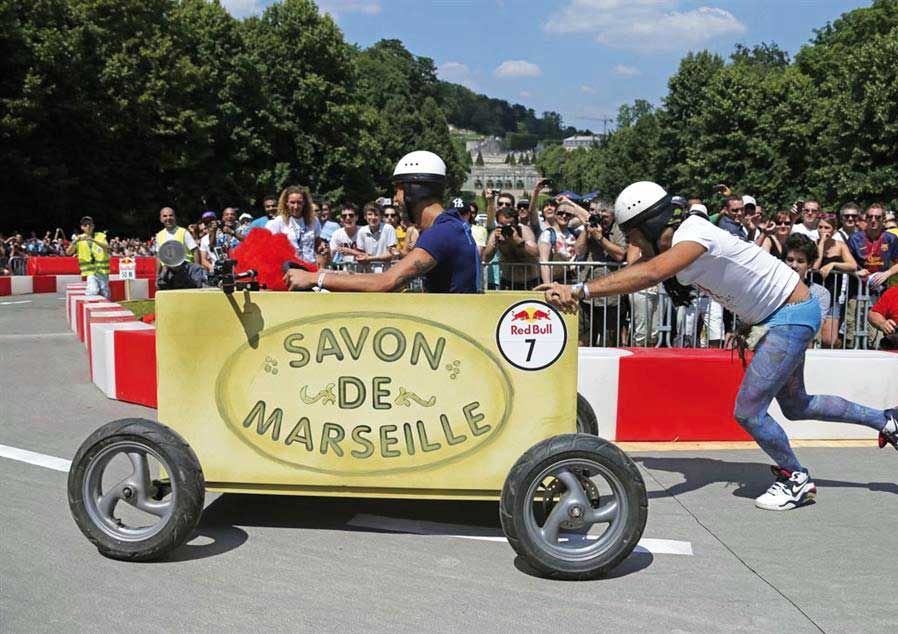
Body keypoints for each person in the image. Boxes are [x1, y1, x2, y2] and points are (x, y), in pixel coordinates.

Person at [539, 181, 898, 511]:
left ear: (650, 225)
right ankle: (887, 422)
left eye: (633, 234)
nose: (631, 243)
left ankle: (796, 478)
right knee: (796, 404)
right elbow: (637, 262)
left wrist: (578, 290)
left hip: (789, 315)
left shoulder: (692, 239)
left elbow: (646, 273)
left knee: (748, 410)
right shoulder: (682, 233)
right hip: (784, 313)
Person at [285, 150, 480, 293]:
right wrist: (343, 277)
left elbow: (385, 283)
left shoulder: (440, 234)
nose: (395, 199)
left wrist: (315, 278)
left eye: (398, 190)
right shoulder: (453, 227)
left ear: (414, 190)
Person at [811, 216, 856, 348]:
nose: (823, 230)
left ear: (834, 230)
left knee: (829, 340)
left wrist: (834, 264)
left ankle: (840, 346)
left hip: (832, 295)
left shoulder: (840, 246)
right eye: (820, 227)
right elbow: (814, 266)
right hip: (814, 295)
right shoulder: (813, 243)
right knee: (813, 336)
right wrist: (821, 244)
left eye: (827, 228)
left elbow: (852, 265)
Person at [782, 234, 831, 344]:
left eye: (800, 261)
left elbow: (814, 328)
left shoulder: (821, 293)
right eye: (790, 259)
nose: (794, 265)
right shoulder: (773, 289)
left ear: (809, 264)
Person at [482, 203, 539, 289]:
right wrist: (495, 243)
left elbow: (536, 255)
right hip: (507, 282)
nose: (506, 228)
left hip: (529, 282)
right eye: (502, 224)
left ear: (516, 223)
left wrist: (519, 241)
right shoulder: (496, 234)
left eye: (510, 225)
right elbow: (486, 258)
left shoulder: (524, 231)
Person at [266, 186, 323, 267]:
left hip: (310, 267)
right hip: (289, 269)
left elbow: (317, 242)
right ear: (286, 203)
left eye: (299, 202)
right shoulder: (278, 222)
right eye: (292, 202)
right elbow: (269, 247)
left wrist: (322, 246)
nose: (296, 207)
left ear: (304, 203)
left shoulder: (313, 220)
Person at [155, 207, 204, 289]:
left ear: (175, 217)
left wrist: (196, 268)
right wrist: (157, 276)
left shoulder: (183, 232)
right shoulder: (159, 235)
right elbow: (158, 256)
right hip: (167, 269)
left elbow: (195, 250)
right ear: (161, 219)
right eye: (165, 216)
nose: (168, 218)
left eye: (171, 215)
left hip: (185, 267)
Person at [65, 216, 110, 298]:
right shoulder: (79, 239)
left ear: (93, 226)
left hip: (102, 270)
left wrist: (93, 240)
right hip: (90, 271)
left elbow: (107, 247)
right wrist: (75, 241)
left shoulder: (100, 236)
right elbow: (68, 252)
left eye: (90, 224)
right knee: (92, 290)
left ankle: (105, 307)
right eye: (85, 225)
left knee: (104, 290)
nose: (88, 226)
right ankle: (92, 307)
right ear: (82, 227)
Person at [356, 202, 398, 272]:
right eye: (370, 214)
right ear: (365, 217)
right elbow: (361, 254)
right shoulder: (362, 231)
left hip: (387, 271)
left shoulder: (388, 229)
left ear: (381, 216)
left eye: (376, 215)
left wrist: (370, 258)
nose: (373, 217)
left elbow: (391, 254)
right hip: (369, 272)